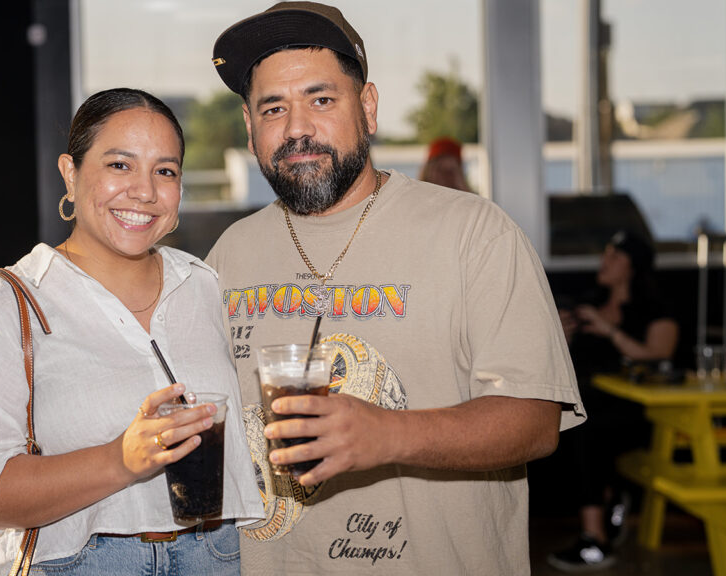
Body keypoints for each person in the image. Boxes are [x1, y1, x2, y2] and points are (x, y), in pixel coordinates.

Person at [206, 3, 585, 574]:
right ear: (249, 125)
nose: (297, 128)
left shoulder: (474, 233)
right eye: (274, 108)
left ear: (368, 107)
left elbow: (535, 421)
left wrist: (388, 435)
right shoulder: (230, 253)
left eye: (321, 100)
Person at [0, 88, 263, 576]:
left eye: (165, 171)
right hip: (80, 562)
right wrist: (118, 460)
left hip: (216, 555)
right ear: (70, 173)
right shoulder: (7, 305)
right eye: (120, 165)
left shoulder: (204, 287)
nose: (144, 191)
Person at [547, 230, 678, 572]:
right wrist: (562, 336)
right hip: (593, 406)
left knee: (585, 426)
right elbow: (565, 362)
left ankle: (595, 539)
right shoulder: (588, 303)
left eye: (615, 256)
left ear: (633, 267)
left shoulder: (654, 309)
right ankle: (608, 499)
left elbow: (659, 355)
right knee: (576, 420)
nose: (604, 261)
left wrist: (610, 331)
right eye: (605, 254)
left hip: (639, 412)